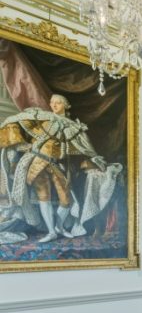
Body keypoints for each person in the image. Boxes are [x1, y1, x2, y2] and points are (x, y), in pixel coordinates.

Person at [0, 94, 117, 243]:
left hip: (57, 165)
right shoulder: (43, 119)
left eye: (58, 103)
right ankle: (51, 232)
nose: (54, 105)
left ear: (66, 106)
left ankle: (59, 227)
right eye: (52, 102)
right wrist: (27, 146)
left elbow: (85, 149)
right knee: (44, 196)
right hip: (37, 164)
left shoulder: (73, 127)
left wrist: (95, 161)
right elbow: (15, 122)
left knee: (66, 200)